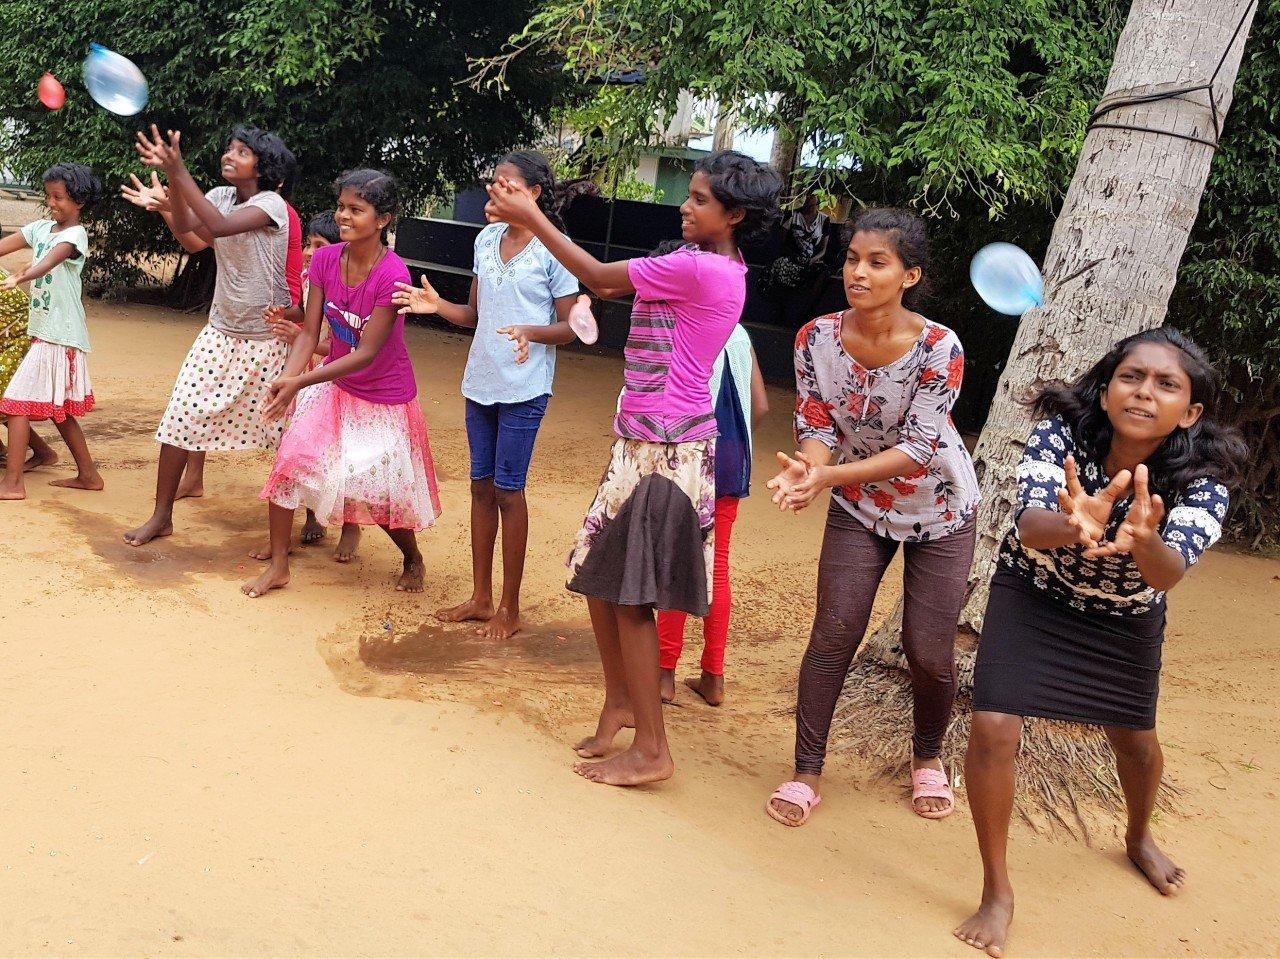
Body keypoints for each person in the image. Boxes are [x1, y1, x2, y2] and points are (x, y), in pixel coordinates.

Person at [484, 149, 782, 786]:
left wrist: (531, 214)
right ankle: (623, 701)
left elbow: (598, 276)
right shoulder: (703, 265)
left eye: (699, 198)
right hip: (642, 440)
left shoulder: (701, 270)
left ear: (733, 215)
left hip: (669, 450)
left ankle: (653, 750)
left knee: (631, 597)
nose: (685, 204)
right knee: (598, 576)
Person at [953, 328, 1246, 958]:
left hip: (1123, 620)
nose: (1144, 392)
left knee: (1136, 744)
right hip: (1035, 594)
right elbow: (1031, 529)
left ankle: (1138, 836)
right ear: (1107, 389)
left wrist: (1144, 540)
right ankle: (997, 892)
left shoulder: (1201, 478)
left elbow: (1169, 574)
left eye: (1167, 385)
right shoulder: (1064, 434)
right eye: (1131, 377)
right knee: (994, 726)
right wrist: (1074, 520)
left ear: (1190, 412)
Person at [765, 208, 980, 825]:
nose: (858, 273)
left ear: (909, 275)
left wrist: (828, 476)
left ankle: (927, 759)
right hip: (859, 506)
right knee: (834, 633)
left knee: (928, 649)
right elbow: (816, 422)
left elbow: (917, 448)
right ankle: (806, 771)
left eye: (876, 262)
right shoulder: (814, 338)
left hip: (939, 508)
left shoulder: (940, 347)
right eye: (852, 259)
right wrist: (810, 467)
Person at [392, 151, 588, 640]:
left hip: (525, 387)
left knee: (508, 488)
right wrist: (437, 306)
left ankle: (510, 607)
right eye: (492, 184)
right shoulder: (484, 240)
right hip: (480, 381)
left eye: (506, 185)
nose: (493, 193)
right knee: (480, 485)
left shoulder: (556, 249)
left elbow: (574, 329)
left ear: (534, 194)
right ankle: (481, 598)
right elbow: (474, 316)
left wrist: (532, 332)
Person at [243, 169, 440, 598]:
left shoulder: (393, 274)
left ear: (383, 219)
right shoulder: (328, 261)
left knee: (377, 495)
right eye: (341, 207)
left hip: (384, 397)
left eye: (356, 209)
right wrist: (289, 378)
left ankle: (412, 557)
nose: (343, 216)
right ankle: (279, 566)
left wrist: (300, 381)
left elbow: (365, 354)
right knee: (290, 462)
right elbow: (310, 334)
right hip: (334, 388)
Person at [121, 124, 294, 547]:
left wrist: (179, 172)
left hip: (270, 337)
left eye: (242, 152)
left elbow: (215, 226)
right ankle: (161, 516)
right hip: (220, 332)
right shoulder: (218, 196)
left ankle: (311, 516)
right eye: (229, 148)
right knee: (180, 417)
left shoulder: (271, 204)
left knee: (290, 436)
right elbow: (192, 236)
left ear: (266, 168)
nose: (230, 155)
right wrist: (171, 194)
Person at [655, 276, 769, 706]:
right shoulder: (740, 334)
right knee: (717, 564)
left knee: (674, 560)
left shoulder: (681, 325)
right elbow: (759, 406)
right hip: (729, 461)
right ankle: (713, 677)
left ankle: (664, 674)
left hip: (687, 457)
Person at [0, 163, 105, 500]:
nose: (52, 203)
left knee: (16, 403)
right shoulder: (41, 228)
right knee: (59, 411)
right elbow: (6, 245)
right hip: (47, 331)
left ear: (79, 201)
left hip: (60, 334)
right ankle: (88, 476)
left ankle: (13, 483)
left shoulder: (76, 236)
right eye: (49, 196)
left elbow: (51, 261)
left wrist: (21, 276)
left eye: (59, 197)